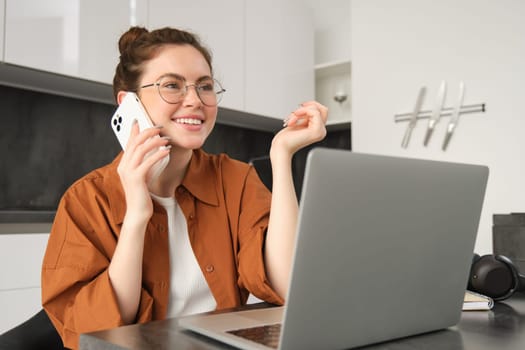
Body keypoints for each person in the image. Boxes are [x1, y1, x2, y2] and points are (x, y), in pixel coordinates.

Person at [41, 26, 327, 349]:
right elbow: (94, 334)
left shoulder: (235, 180)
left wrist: (282, 156)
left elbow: (289, 286)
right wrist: (136, 215)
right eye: (172, 85)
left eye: (204, 86)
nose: (194, 100)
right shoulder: (86, 200)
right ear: (128, 103)